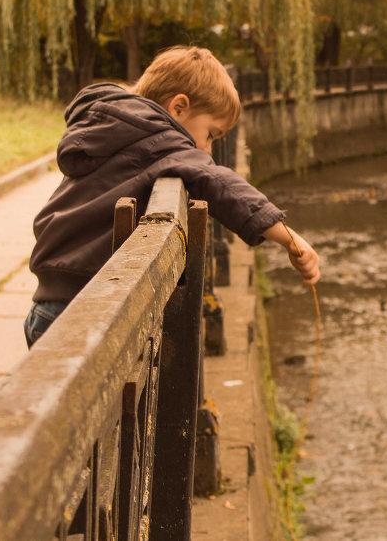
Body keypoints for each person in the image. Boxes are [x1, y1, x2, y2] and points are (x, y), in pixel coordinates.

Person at [24, 46, 321, 347]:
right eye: (211, 134)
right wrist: (288, 237)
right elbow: (220, 184)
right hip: (85, 313)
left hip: (48, 306)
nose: (207, 149)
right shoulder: (162, 142)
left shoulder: (118, 128)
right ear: (178, 108)